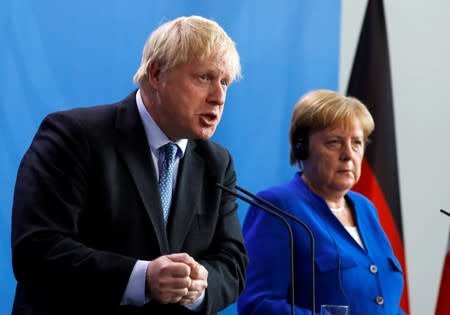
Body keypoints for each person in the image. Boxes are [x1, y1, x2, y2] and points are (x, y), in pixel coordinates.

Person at [11, 15, 248, 315]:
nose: (218, 97)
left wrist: (201, 283)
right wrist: (142, 278)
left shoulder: (217, 162)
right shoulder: (74, 136)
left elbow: (232, 261)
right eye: (204, 78)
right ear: (157, 74)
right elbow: (37, 249)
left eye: (225, 82)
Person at [237, 90, 406, 315]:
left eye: (356, 143)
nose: (348, 154)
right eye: (335, 142)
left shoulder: (366, 208)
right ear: (302, 148)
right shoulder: (278, 207)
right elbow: (256, 305)